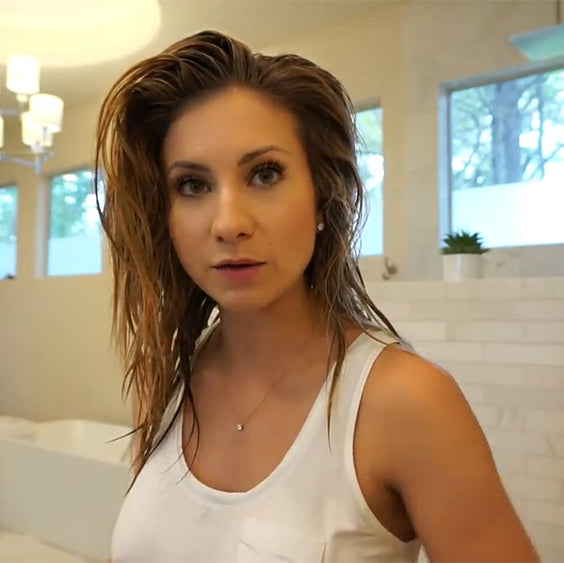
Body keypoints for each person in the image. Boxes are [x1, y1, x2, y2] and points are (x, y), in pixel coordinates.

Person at [96, 30, 539, 563]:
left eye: (265, 174)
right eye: (192, 185)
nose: (229, 223)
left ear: (322, 197)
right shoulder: (170, 377)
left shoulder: (405, 401)